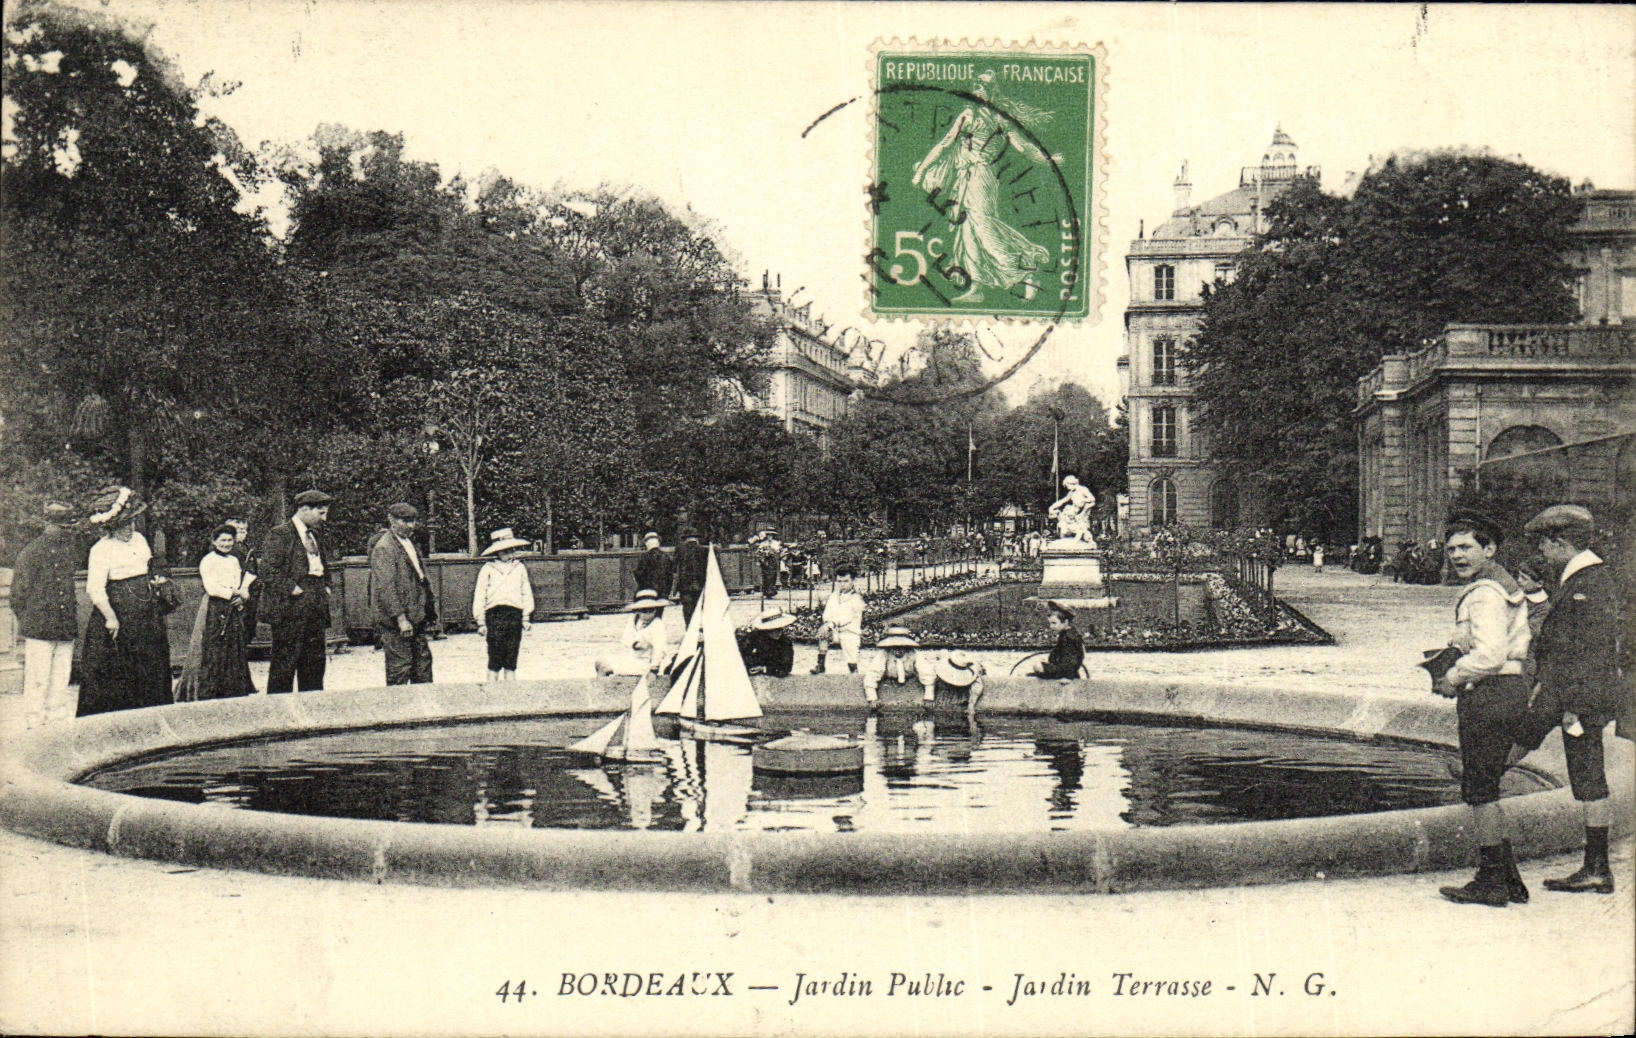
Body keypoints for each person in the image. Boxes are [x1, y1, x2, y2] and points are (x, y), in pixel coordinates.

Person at [1519, 504, 1628, 895]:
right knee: (1527, 736)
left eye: (1544, 544)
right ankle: (1481, 777)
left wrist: (1574, 707)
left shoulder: (1589, 583)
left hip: (1578, 696)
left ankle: (1597, 868)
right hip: (1565, 691)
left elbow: (1592, 651)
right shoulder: (1582, 577)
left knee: (1588, 778)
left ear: (1560, 542)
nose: (1541, 551)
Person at [1433, 510, 1532, 907]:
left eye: (1467, 547)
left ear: (1489, 549)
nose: (1457, 555)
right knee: (1485, 784)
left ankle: (1490, 882)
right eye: (1451, 548)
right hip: (1507, 692)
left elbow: (1490, 655)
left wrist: (1452, 676)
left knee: (1479, 790)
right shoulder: (1500, 585)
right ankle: (1509, 879)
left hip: (1489, 694)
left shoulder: (1485, 593)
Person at [910, 69, 1055, 304]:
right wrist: (921, 170)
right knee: (967, 231)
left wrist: (1047, 160)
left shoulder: (999, 119)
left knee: (983, 227)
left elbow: (1022, 146)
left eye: (983, 87)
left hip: (982, 176)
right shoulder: (967, 116)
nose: (978, 91)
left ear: (991, 92)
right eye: (976, 87)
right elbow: (944, 144)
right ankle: (976, 287)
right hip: (963, 178)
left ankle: (1027, 267)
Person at [77, 487, 176, 716]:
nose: (130, 528)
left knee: (152, 663)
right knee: (119, 669)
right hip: (119, 611)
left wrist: (157, 582)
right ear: (112, 527)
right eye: (124, 525)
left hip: (146, 611)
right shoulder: (101, 549)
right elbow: (95, 588)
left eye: (131, 523)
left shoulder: (139, 540)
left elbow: (148, 567)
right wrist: (110, 618)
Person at [10, 501, 82, 727]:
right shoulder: (31, 553)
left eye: (67, 528)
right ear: (48, 524)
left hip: (64, 627)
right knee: (38, 679)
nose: (65, 532)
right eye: (61, 527)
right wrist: (32, 622)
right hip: (40, 628)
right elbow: (17, 596)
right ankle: (34, 721)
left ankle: (56, 721)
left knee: (61, 678)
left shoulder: (68, 552)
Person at [260, 489, 335, 694]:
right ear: (304, 509)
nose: (324, 518)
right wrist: (292, 588)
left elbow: (324, 565)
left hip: (316, 604)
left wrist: (326, 586)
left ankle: (312, 707)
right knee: (285, 664)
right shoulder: (280, 534)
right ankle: (280, 709)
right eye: (321, 513)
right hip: (290, 608)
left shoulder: (316, 534)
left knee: (314, 663)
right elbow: (267, 570)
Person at [176, 524, 256, 701]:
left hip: (232, 607)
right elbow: (211, 588)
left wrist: (242, 595)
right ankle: (209, 690)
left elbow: (238, 582)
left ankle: (232, 689)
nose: (226, 544)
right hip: (214, 607)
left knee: (233, 645)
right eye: (222, 540)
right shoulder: (208, 560)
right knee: (213, 646)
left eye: (229, 540)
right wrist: (233, 593)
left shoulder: (234, 560)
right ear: (214, 542)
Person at [369, 502, 435, 686]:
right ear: (391, 520)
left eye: (413, 521)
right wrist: (401, 619)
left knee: (422, 669)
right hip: (397, 623)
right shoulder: (384, 548)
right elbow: (386, 587)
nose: (411, 526)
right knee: (399, 670)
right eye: (405, 521)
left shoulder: (409, 543)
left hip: (415, 617)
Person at [472, 528, 534, 683]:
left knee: (511, 656)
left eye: (512, 550)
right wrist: (481, 621)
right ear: (497, 552)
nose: (509, 554)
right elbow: (480, 594)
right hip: (495, 615)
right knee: (495, 655)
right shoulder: (488, 569)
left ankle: (510, 689)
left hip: (515, 614)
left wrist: (526, 617)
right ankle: (492, 688)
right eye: (505, 551)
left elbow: (525, 591)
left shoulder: (519, 567)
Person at [595, 589, 670, 677]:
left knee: (606, 668)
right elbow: (626, 640)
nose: (648, 614)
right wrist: (635, 643)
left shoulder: (657, 625)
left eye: (651, 610)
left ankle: (602, 684)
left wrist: (654, 668)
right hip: (632, 658)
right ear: (638, 610)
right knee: (600, 662)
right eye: (644, 610)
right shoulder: (634, 620)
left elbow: (660, 650)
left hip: (646, 664)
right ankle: (604, 682)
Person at [811, 568, 865, 674]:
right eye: (839, 581)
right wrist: (827, 623)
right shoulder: (834, 596)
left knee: (850, 646)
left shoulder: (856, 598)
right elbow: (828, 612)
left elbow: (847, 617)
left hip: (850, 630)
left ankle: (853, 669)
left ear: (853, 581)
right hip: (834, 629)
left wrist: (832, 623)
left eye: (846, 581)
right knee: (824, 633)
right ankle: (820, 664)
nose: (842, 584)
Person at [865, 626, 933, 707]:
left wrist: (928, 697)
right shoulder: (884, 654)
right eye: (895, 647)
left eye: (901, 647)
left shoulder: (913, 654)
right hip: (888, 683)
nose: (898, 650)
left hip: (910, 683)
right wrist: (873, 698)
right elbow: (872, 674)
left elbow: (926, 672)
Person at [225, 516, 259, 643]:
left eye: (244, 529)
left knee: (247, 626)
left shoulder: (245, 547)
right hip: (236, 593)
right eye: (238, 529)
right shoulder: (229, 550)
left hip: (249, 593)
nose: (243, 532)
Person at [738, 605, 796, 677]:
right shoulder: (754, 637)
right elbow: (741, 655)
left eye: (780, 629)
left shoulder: (785, 642)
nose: (779, 632)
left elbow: (786, 667)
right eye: (774, 629)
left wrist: (764, 669)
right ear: (766, 629)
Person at [1031, 601, 1085, 679]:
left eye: (1054, 623)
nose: (1051, 626)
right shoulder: (1067, 634)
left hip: (1064, 673)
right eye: (1050, 623)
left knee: (1038, 666)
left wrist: (1068, 677)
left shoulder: (1069, 637)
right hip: (1064, 670)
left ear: (1065, 622)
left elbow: (1071, 660)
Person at [928, 650, 985, 720]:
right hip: (941, 696)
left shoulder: (971, 665)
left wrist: (971, 704)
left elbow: (977, 685)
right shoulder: (939, 660)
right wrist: (929, 694)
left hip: (960, 697)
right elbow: (928, 672)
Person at [1047, 475, 1097, 545]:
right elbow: (1063, 501)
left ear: (1071, 483)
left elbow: (1092, 499)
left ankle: (1078, 539)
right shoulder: (1071, 492)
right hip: (1073, 511)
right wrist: (1052, 507)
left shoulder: (1083, 489)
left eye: (1067, 486)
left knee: (1080, 527)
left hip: (1082, 512)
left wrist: (1083, 500)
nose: (1067, 488)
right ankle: (1065, 538)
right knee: (1064, 520)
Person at [672, 529, 708, 625]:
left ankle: (689, 629)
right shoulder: (704, 550)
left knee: (687, 609)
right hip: (700, 584)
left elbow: (674, 567)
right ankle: (699, 627)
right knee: (699, 607)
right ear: (696, 538)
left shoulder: (679, 549)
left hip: (685, 585)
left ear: (685, 539)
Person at [633, 530, 672, 598]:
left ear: (647, 543)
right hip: (663, 591)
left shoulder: (644, 557)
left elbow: (639, 575)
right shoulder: (666, 557)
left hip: (648, 592)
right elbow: (670, 576)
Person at [751, 526, 782, 600]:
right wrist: (763, 553)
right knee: (766, 576)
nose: (769, 537)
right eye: (768, 535)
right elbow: (759, 552)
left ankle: (772, 592)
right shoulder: (763, 543)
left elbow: (778, 551)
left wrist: (773, 551)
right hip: (765, 561)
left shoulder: (776, 543)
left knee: (772, 576)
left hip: (773, 560)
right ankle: (766, 592)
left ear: (773, 536)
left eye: (771, 535)